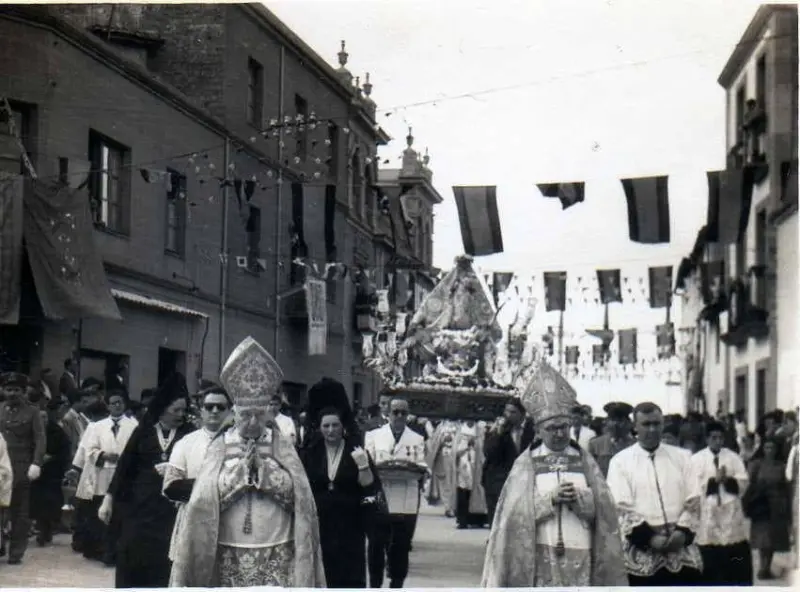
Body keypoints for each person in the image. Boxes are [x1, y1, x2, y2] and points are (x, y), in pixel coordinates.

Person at [169, 336, 325, 587]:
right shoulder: (220, 445)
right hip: (227, 542)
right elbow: (204, 499)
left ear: (267, 413)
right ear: (235, 413)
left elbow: (300, 499)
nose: (252, 422)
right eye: (246, 415)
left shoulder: (280, 444)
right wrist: (241, 476)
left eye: (258, 415)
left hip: (277, 542)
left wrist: (264, 475)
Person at [481, 358, 627, 587]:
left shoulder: (584, 460)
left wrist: (580, 500)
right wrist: (551, 499)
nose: (559, 434)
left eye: (563, 427)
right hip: (539, 552)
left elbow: (604, 513)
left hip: (582, 551)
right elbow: (513, 517)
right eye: (551, 428)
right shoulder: (527, 463)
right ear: (538, 430)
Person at [98, 373, 194, 588]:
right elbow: (124, 467)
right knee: (134, 552)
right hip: (139, 507)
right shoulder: (143, 432)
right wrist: (108, 499)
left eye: (184, 410)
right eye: (175, 410)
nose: (181, 414)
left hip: (171, 509)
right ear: (162, 408)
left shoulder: (189, 433)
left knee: (164, 560)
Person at [606, 402, 703, 585]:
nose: (652, 429)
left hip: (680, 548)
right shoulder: (620, 462)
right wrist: (650, 538)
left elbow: (694, 498)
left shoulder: (683, 457)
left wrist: (682, 532)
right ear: (635, 426)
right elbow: (621, 507)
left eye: (656, 424)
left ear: (663, 424)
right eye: (646, 424)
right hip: (642, 550)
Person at [301, 399, 381, 588]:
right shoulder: (310, 453)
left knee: (349, 576)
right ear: (319, 428)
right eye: (326, 426)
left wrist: (363, 465)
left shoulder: (356, 450)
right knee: (322, 574)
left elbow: (368, 485)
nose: (331, 430)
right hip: (320, 523)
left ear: (343, 426)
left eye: (335, 425)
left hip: (350, 525)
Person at [163, 383, 232, 563]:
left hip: (230, 521)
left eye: (221, 407)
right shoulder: (185, 443)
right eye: (209, 407)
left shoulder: (240, 443)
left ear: (229, 411)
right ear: (201, 411)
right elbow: (170, 486)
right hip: (194, 519)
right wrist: (211, 484)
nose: (215, 411)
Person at [364, 397, 427, 589]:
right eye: (395, 412)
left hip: (405, 500)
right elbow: (367, 464)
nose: (399, 416)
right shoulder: (373, 436)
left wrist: (411, 468)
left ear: (408, 415)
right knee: (375, 545)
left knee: (400, 547)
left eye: (403, 412)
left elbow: (422, 465)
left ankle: (397, 583)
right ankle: (375, 584)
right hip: (379, 498)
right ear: (388, 413)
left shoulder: (417, 438)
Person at [689, 420, 753, 585]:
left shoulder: (733, 457)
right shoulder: (696, 460)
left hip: (730, 512)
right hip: (708, 512)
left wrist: (728, 480)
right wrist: (712, 481)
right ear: (707, 439)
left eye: (720, 438)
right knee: (710, 553)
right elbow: (692, 485)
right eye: (714, 437)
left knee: (733, 553)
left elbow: (744, 481)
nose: (717, 441)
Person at [0, 371, 45, 564]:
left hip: (21, 466)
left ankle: (16, 552)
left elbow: (40, 439)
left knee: (19, 512)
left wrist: (36, 463)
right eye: (9, 389)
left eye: (16, 390)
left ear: (24, 391)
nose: (12, 393)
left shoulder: (33, 412)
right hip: (0, 466)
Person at [482, 398, 535, 526]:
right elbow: (488, 452)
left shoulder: (532, 429)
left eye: (513, 412)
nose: (508, 415)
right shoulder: (499, 429)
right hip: (497, 481)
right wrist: (497, 433)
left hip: (523, 480)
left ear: (522, 414)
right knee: (497, 519)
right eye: (506, 411)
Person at [745, 435, 791, 579]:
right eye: (766, 447)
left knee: (772, 538)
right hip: (761, 504)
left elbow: (786, 487)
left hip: (777, 505)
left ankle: (767, 567)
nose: (769, 450)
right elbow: (749, 485)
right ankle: (762, 567)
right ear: (762, 449)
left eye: (772, 447)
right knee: (762, 538)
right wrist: (747, 504)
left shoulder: (781, 466)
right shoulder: (756, 464)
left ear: (776, 449)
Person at [29, 399, 71, 547]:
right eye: (40, 417)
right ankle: (41, 530)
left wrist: (52, 458)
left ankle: (48, 528)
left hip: (53, 473)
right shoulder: (31, 431)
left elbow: (65, 451)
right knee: (37, 503)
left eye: (45, 417)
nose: (43, 420)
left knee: (51, 503)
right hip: (36, 473)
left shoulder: (57, 432)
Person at [452, 421, 488, 528]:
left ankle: (476, 519)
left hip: (476, 466)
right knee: (463, 492)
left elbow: (483, 448)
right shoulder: (460, 431)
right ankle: (462, 520)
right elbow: (455, 451)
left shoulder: (480, 430)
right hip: (464, 465)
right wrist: (467, 446)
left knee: (477, 492)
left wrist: (476, 444)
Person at [588, 401, 635, 477]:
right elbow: (590, 472)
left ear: (629, 423)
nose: (616, 424)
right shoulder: (595, 444)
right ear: (606, 422)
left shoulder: (636, 445)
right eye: (612, 420)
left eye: (620, 420)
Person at [425, 420, 458, 516]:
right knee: (445, 485)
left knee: (455, 484)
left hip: (456, 458)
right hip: (443, 458)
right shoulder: (441, 426)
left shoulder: (459, 426)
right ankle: (449, 508)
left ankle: (455, 507)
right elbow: (434, 441)